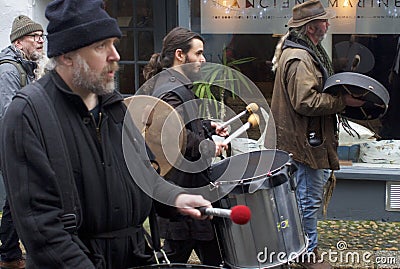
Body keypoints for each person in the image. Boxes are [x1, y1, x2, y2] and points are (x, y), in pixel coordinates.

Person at [0, 1, 215, 269]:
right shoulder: (28, 114)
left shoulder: (113, 105)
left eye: (114, 43)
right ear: (67, 55)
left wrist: (174, 198)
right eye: (101, 46)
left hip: (133, 257)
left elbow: (143, 176)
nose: (115, 55)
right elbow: (43, 230)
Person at [270, 0, 365, 268]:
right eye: (324, 21)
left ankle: (297, 250)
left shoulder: (302, 51)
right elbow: (305, 101)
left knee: (302, 198)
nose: (328, 24)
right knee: (307, 200)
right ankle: (305, 254)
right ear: (312, 28)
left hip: (302, 140)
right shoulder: (300, 58)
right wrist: (342, 102)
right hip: (305, 144)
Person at [142, 27, 228, 266]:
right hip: (181, 185)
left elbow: (185, 123)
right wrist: (209, 146)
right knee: (179, 253)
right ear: (180, 54)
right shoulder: (168, 89)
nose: (202, 59)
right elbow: (175, 135)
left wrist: (209, 127)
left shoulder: (176, 84)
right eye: (198, 53)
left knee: (209, 253)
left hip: (192, 186)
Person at [0, 14, 45, 269]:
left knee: (18, 196)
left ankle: (9, 252)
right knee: (19, 196)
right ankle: (8, 254)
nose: (40, 41)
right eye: (34, 37)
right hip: (10, 143)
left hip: (17, 142)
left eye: (41, 37)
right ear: (18, 43)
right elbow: (9, 114)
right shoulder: (9, 68)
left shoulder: (27, 67)